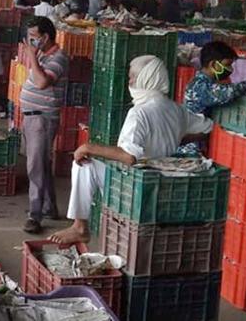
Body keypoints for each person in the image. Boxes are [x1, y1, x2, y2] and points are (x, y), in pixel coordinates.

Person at [50, 56, 213, 244]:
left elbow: (129, 157)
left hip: (135, 184)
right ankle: (79, 227)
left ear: (145, 79)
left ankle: (80, 227)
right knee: (91, 163)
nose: (130, 82)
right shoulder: (175, 109)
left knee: (83, 165)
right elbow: (207, 128)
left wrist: (88, 147)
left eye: (132, 78)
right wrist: (177, 134)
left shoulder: (140, 112)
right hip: (161, 182)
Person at [18, 17, 69, 234]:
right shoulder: (43, 55)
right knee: (42, 165)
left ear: (46, 37)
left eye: (34, 37)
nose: (30, 41)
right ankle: (49, 207)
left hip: (42, 118)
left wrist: (31, 55)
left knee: (35, 167)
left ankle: (34, 215)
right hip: (31, 116)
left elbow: (41, 82)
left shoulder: (58, 58)